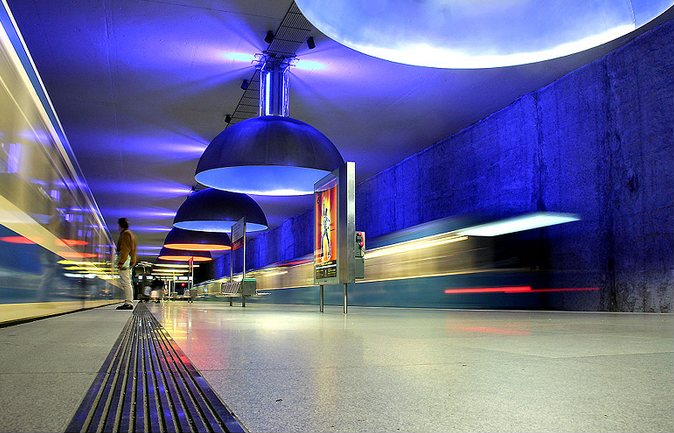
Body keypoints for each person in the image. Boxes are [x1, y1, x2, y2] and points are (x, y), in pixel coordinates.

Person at [115, 217, 137, 310]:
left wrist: (121, 262)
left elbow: (125, 249)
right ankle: (128, 301)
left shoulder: (125, 234)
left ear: (120, 225)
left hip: (125, 261)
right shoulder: (129, 234)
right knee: (127, 282)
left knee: (126, 282)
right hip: (128, 260)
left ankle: (128, 302)